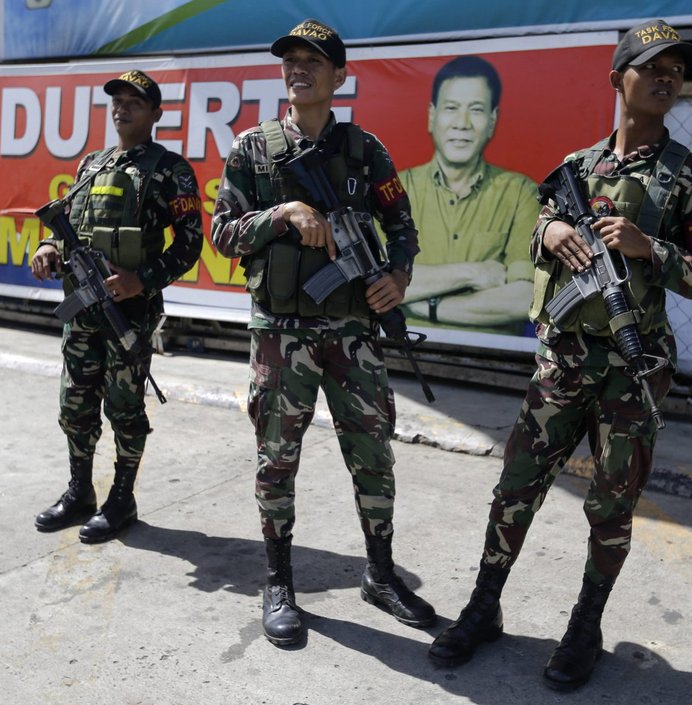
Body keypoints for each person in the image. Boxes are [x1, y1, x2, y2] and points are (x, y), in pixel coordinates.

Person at [428, 19, 692, 690]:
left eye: (677, 70)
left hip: (637, 366)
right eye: (652, 65)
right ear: (618, 79)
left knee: (611, 503)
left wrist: (648, 247)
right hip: (563, 360)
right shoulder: (576, 166)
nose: (666, 77)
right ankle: (484, 606)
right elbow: (536, 220)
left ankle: (586, 624)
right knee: (516, 486)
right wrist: (555, 228)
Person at [210, 18, 435, 647]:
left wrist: (398, 275)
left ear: (340, 76)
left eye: (314, 60)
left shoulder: (367, 151)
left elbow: (404, 227)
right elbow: (222, 234)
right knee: (276, 460)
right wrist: (281, 214)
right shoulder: (252, 150)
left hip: (353, 334)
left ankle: (382, 574)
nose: (298, 68)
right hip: (281, 334)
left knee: (374, 453)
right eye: (291, 59)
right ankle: (279, 582)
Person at [31, 70, 204, 544]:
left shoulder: (171, 169)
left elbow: (191, 244)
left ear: (155, 113)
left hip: (128, 315)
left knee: (124, 409)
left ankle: (121, 498)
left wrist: (140, 280)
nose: (122, 107)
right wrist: (48, 246)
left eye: (134, 101)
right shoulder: (92, 163)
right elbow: (71, 223)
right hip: (83, 311)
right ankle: (79, 491)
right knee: (74, 405)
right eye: (117, 101)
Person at [399, 55, 540, 335]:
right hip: (400, 354)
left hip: (497, 365)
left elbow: (527, 298)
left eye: (476, 110)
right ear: (432, 115)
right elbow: (372, 283)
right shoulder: (395, 190)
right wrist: (475, 272)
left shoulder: (521, 193)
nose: (461, 123)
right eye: (451, 108)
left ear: (492, 120)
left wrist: (429, 306)